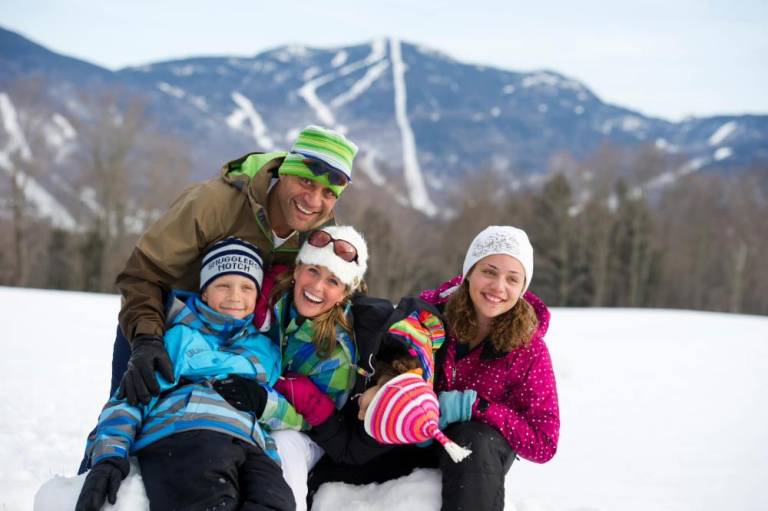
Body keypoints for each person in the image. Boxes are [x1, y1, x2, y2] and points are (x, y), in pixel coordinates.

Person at [308, 225, 561, 511]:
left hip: (477, 454)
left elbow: (543, 441)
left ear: (523, 287)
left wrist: (475, 408)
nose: (498, 287)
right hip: (415, 437)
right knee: (329, 473)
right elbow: (391, 356)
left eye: (512, 279)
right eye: (489, 272)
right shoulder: (430, 311)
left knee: (472, 435)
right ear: (469, 273)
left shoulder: (528, 349)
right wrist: (391, 389)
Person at [111, 125, 359, 409]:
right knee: (125, 422)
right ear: (285, 171)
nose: (313, 201)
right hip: (165, 331)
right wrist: (146, 339)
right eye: (306, 182)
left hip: (243, 349)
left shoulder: (321, 238)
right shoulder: (215, 204)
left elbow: (334, 294)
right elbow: (144, 273)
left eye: (328, 193)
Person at [76, 238, 303, 511]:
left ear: (257, 296)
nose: (235, 296)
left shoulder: (266, 350)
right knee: (209, 499)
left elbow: (291, 415)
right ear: (205, 291)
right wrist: (109, 456)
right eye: (223, 285)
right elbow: (131, 397)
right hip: (187, 431)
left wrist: (264, 403)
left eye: (246, 287)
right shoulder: (179, 338)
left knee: (277, 502)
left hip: (251, 445)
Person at [261, 225, 371, 511]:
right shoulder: (273, 306)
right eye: (313, 271)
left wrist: (262, 404)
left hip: (305, 433)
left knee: (284, 446)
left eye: (333, 281)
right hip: (259, 403)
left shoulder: (336, 350)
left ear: (344, 293)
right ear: (297, 270)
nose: (317, 287)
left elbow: (313, 421)